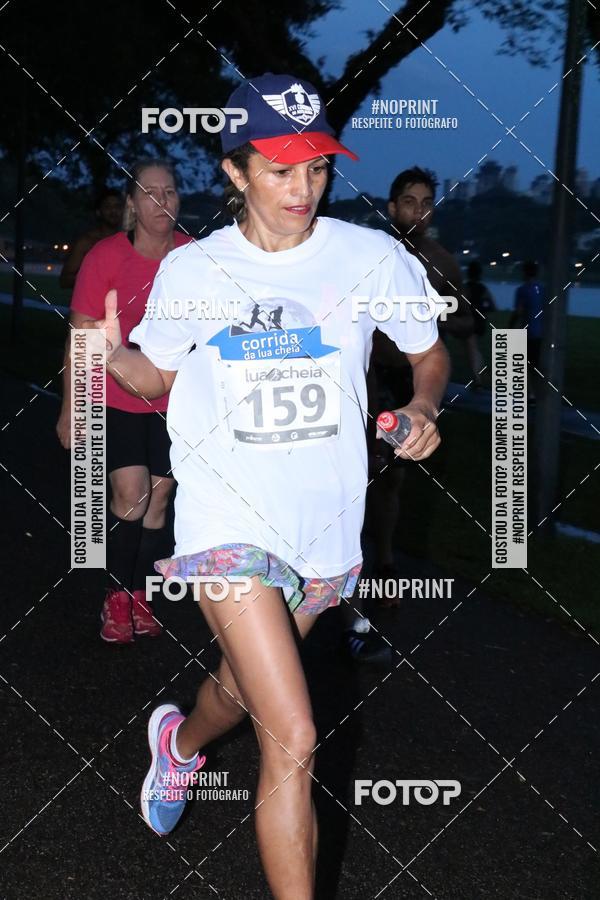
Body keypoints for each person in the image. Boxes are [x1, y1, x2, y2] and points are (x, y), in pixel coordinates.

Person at [83, 73, 449, 899]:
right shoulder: (197, 271)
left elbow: (428, 350)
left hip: (323, 529)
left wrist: (423, 405)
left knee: (243, 690)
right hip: (227, 519)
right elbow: (155, 375)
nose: (303, 188)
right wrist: (110, 356)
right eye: (280, 169)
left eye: (316, 167)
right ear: (236, 171)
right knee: (294, 731)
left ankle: (179, 745)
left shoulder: (367, 256)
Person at [56, 159, 190, 642]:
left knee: (159, 501)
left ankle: (141, 595)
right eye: (149, 193)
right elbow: (82, 337)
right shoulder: (106, 257)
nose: (161, 201)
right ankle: (116, 598)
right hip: (115, 395)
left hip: (177, 402)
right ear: (132, 203)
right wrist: (71, 408)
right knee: (132, 496)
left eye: (169, 191)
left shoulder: (193, 256)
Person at [343, 167, 471, 660]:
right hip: (365, 380)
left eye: (426, 202)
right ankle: (343, 583)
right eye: (410, 201)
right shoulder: (369, 254)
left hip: (408, 383)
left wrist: (438, 315)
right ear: (392, 207)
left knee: (391, 481)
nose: (419, 211)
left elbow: (465, 320)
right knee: (354, 479)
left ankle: (385, 563)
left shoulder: (441, 261)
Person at [59, 188, 124, 289]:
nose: (113, 211)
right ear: (98, 212)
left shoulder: (129, 241)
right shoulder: (86, 242)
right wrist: (95, 277)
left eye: (117, 206)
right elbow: (65, 280)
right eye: (107, 207)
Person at [509, 259, 545, 402]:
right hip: (542, 332)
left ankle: (531, 394)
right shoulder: (543, 289)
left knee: (525, 364)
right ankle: (540, 393)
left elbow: (518, 312)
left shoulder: (522, 290)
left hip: (528, 332)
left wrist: (510, 327)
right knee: (537, 364)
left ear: (524, 273)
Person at [463, 259, 496, 389]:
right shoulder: (483, 288)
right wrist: (483, 308)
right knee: (474, 348)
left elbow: (462, 304)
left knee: (471, 349)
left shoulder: (466, 287)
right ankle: (480, 375)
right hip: (480, 322)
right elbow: (492, 306)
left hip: (470, 321)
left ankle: (477, 380)